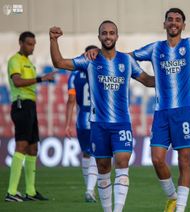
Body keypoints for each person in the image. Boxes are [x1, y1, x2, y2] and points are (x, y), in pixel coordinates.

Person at [86, 5, 190, 211]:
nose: (173, 22)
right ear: (164, 24)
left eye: (178, 19)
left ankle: (179, 208)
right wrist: (96, 52)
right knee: (157, 159)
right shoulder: (154, 49)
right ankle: (172, 196)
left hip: (184, 109)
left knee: (184, 160)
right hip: (161, 111)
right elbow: (122, 56)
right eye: (170, 19)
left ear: (183, 25)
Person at [49, 21, 155, 212]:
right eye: (104, 33)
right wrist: (53, 40)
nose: (108, 36)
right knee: (103, 169)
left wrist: (168, 78)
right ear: (99, 37)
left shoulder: (126, 60)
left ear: (117, 36)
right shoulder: (90, 60)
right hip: (98, 125)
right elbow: (59, 63)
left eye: (112, 33)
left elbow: (146, 80)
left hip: (122, 124)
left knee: (122, 164)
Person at [5, 31, 56, 202]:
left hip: (30, 106)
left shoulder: (28, 62)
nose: (32, 47)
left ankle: (30, 191)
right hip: (21, 104)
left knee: (33, 148)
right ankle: (11, 192)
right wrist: (41, 79)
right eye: (29, 43)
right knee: (21, 145)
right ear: (20, 43)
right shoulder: (15, 60)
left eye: (33, 44)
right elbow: (17, 82)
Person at [65, 45, 99, 202]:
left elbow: (71, 99)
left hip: (81, 119)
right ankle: (90, 189)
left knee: (86, 153)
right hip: (97, 117)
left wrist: (67, 124)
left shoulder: (75, 74)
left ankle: (89, 190)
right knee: (96, 153)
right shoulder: (100, 69)